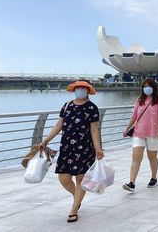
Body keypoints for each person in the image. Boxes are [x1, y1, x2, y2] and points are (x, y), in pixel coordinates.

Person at [39, 80, 104, 223]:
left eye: (83, 88)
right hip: (67, 148)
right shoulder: (67, 106)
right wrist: (45, 140)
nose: (80, 90)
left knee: (80, 178)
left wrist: (98, 149)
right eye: (78, 87)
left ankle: (74, 209)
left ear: (88, 90)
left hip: (85, 148)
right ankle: (77, 197)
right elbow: (58, 126)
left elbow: (94, 130)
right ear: (74, 89)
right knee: (63, 178)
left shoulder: (92, 108)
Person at [122, 78, 158, 191]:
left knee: (152, 157)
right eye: (145, 86)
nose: (147, 88)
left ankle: (153, 178)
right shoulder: (139, 100)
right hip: (138, 132)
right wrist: (127, 128)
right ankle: (131, 183)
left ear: (154, 88)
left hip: (153, 132)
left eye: (149, 86)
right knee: (136, 157)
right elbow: (134, 116)